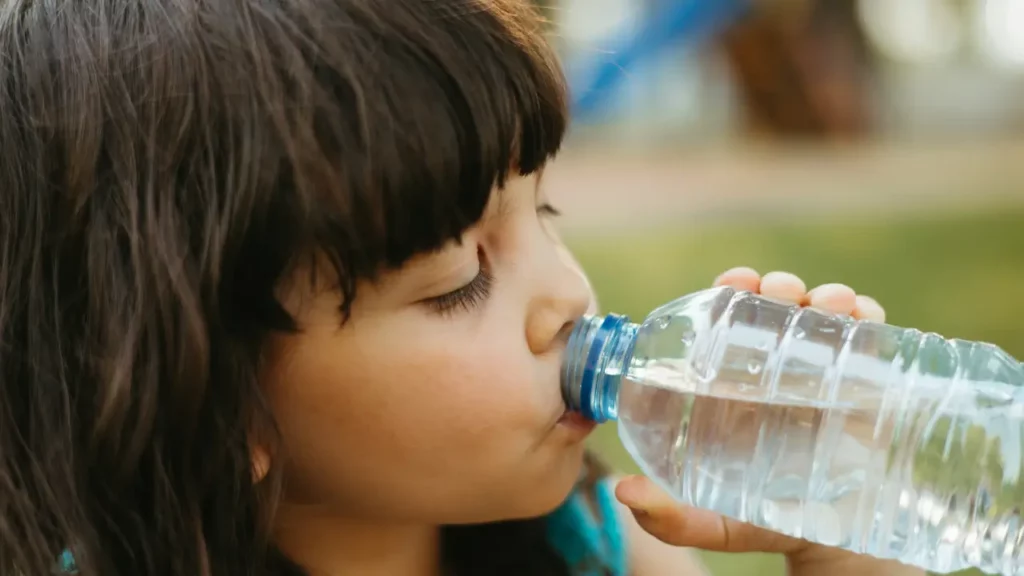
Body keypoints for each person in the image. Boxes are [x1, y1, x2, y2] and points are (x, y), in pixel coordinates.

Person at [0, 1, 922, 575]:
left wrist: (840, 535)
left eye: (544, 211)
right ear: (215, 400)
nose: (567, 295)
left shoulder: (594, 545)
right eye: (459, 277)